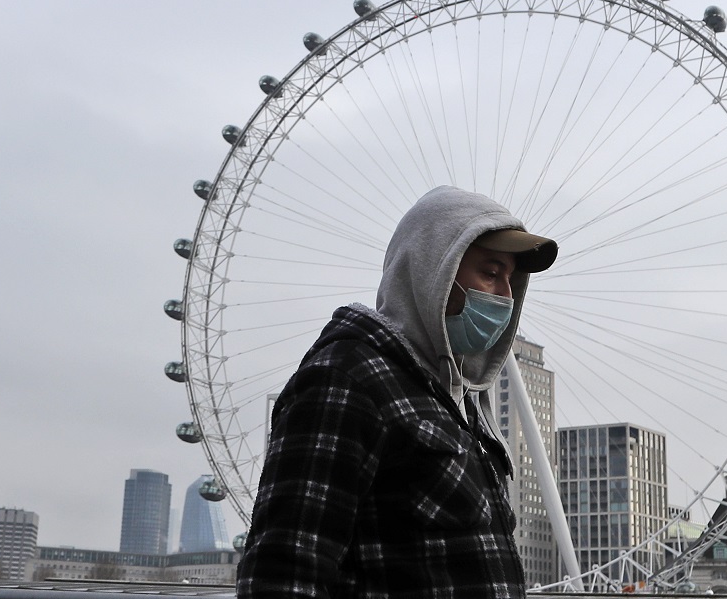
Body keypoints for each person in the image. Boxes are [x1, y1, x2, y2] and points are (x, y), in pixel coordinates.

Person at [236, 185, 559, 599]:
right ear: (433, 270)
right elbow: (284, 571)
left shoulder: (454, 400)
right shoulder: (346, 380)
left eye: (511, 280)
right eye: (491, 273)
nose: (505, 297)